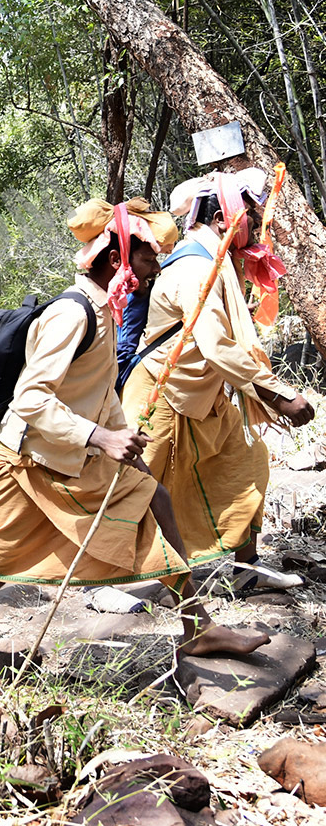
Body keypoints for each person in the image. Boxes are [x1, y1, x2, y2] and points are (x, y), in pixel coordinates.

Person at [0, 199, 270, 673]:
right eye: (150, 257)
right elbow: (31, 399)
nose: (157, 266)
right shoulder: (71, 314)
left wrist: (121, 435)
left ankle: (198, 629)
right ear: (117, 260)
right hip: (25, 463)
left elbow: (100, 389)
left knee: (156, 498)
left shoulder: (105, 308)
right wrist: (102, 439)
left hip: (69, 456)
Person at [121, 170, 315, 592]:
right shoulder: (195, 266)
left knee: (248, 461)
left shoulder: (214, 259)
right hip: (159, 393)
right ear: (226, 218)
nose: (256, 222)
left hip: (201, 395)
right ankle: (103, 583)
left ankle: (247, 570)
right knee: (133, 486)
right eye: (250, 212)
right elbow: (216, 345)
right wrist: (279, 395)